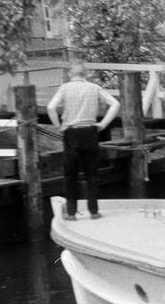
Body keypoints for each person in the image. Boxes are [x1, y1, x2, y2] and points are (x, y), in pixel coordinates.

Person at [47, 64, 120, 220]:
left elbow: (50, 107)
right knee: (92, 174)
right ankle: (93, 211)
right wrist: (103, 124)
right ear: (85, 74)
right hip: (90, 131)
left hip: (72, 132)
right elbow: (115, 104)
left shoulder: (65, 88)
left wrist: (58, 126)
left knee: (70, 174)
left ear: (69, 74)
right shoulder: (94, 87)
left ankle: (72, 213)